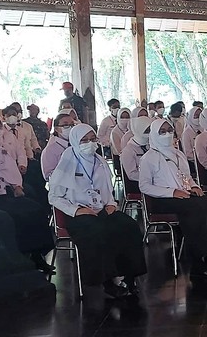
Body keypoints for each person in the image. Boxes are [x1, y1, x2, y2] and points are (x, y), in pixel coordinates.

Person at [48, 124, 147, 297]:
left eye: (92, 139)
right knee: (99, 232)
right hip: (78, 214)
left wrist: (110, 204)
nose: (90, 144)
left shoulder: (100, 161)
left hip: (101, 209)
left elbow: (108, 190)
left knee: (128, 226)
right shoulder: (67, 162)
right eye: (84, 140)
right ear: (75, 142)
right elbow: (54, 197)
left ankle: (129, 276)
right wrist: (77, 210)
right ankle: (108, 282)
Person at [138, 119, 207, 275]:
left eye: (169, 130)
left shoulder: (178, 153)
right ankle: (196, 262)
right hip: (163, 199)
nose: (167, 134)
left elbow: (186, 176)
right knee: (195, 211)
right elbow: (144, 186)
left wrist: (194, 186)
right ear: (154, 134)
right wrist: (171, 192)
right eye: (162, 131)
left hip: (185, 194)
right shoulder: (148, 158)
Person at [0, 116, 54, 273]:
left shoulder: (0, 150)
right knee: (12, 218)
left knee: (35, 210)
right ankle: (19, 258)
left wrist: (17, 185)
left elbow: (10, 168)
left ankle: (37, 254)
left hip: (6, 192)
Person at [41, 112, 74, 181]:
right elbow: (48, 175)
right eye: (65, 125)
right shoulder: (50, 149)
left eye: (72, 125)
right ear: (56, 129)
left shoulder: (76, 144)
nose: (70, 127)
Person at [121, 116, 152, 185]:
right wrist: (151, 177)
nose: (149, 133)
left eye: (150, 130)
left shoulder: (151, 145)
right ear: (139, 131)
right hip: (139, 183)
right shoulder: (128, 151)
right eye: (147, 131)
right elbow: (132, 174)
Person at [181, 106, 202, 172]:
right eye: (195, 116)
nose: (198, 118)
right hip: (194, 163)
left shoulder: (204, 129)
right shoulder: (186, 133)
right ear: (190, 117)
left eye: (199, 116)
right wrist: (200, 159)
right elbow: (188, 153)